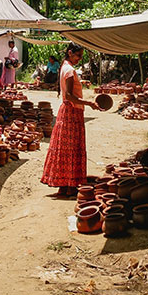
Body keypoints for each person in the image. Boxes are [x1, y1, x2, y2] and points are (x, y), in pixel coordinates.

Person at [41, 43, 99, 197]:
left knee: (64, 148)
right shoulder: (69, 70)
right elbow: (69, 96)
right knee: (71, 149)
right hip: (71, 112)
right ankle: (70, 185)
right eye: (78, 55)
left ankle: (64, 185)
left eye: (81, 56)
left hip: (68, 111)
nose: (80, 59)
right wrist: (89, 103)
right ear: (70, 53)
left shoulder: (64, 67)